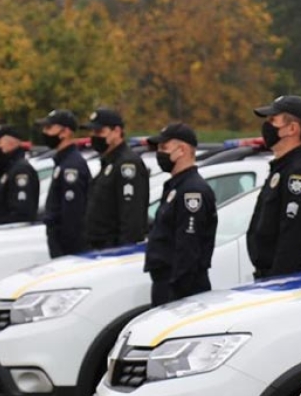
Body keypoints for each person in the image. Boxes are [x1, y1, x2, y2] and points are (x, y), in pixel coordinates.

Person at [247, 95, 301, 278]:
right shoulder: (282, 168)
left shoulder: (299, 174)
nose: (266, 126)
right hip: (268, 277)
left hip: (284, 280)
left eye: (273, 120)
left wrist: (278, 283)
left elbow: (293, 238)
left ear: (292, 128)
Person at [144, 123, 217, 306]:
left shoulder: (191, 191)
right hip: (166, 282)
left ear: (182, 149)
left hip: (181, 288)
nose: (159, 153)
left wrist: (176, 293)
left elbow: (188, 247)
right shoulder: (177, 186)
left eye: (164, 148)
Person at [81, 108, 150, 249]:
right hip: (98, 249)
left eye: (99, 132)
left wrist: (123, 253)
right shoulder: (109, 163)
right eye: (92, 132)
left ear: (117, 131)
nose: (94, 136)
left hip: (112, 250)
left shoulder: (127, 164)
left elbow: (131, 218)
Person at [37, 109, 90, 257]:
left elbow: (72, 216)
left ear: (65, 132)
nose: (44, 132)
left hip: (68, 249)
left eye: (49, 128)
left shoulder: (71, 166)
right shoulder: (63, 161)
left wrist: (66, 253)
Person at [0, 124, 39, 226]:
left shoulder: (21, 170)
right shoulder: (4, 169)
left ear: (12, 142)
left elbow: (21, 213)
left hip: (9, 234)